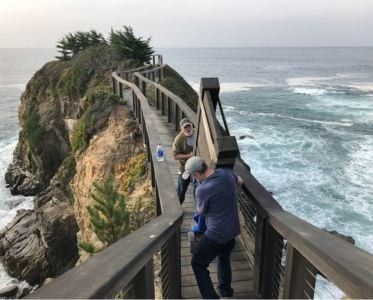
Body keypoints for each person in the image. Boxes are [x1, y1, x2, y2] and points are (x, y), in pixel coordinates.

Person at [182, 156, 243, 299]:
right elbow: (240, 181)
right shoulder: (226, 172)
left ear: (196, 174)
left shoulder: (202, 189)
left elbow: (201, 211)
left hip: (216, 235)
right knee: (223, 257)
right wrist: (231, 196)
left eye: (192, 176)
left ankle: (211, 297)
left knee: (197, 264)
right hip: (232, 231)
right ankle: (226, 290)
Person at [172, 118, 195, 204]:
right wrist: (189, 155)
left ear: (192, 125)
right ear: (182, 129)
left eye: (189, 125)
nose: (188, 128)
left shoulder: (198, 133)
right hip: (185, 168)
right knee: (181, 191)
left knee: (199, 190)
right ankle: (177, 208)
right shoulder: (178, 139)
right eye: (185, 127)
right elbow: (175, 156)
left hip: (198, 168)